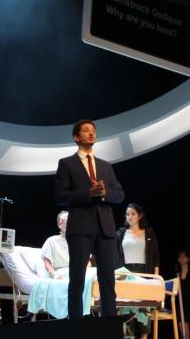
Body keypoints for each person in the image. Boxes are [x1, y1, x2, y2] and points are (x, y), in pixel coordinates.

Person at [54, 119, 125, 318]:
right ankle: (76, 326)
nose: (91, 133)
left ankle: (108, 325)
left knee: (107, 281)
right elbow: (60, 196)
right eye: (86, 131)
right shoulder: (67, 164)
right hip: (80, 229)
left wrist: (103, 193)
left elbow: (119, 195)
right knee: (77, 279)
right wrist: (88, 193)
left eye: (93, 130)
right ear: (77, 137)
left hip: (105, 228)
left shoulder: (105, 166)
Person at [116, 203, 160, 339]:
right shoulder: (121, 233)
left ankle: (144, 336)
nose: (129, 216)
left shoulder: (149, 233)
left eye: (133, 213)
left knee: (143, 306)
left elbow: (155, 255)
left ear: (140, 216)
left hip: (144, 273)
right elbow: (116, 255)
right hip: (126, 273)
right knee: (126, 306)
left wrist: (156, 277)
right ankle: (128, 336)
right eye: (127, 214)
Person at [41, 210, 70, 279]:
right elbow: (47, 262)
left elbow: (87, 261)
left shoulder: (78, 242)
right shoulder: (52, 241)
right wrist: (54, 275)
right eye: (67, 219)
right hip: (60, 272)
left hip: (76, 271)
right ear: (59, 224)